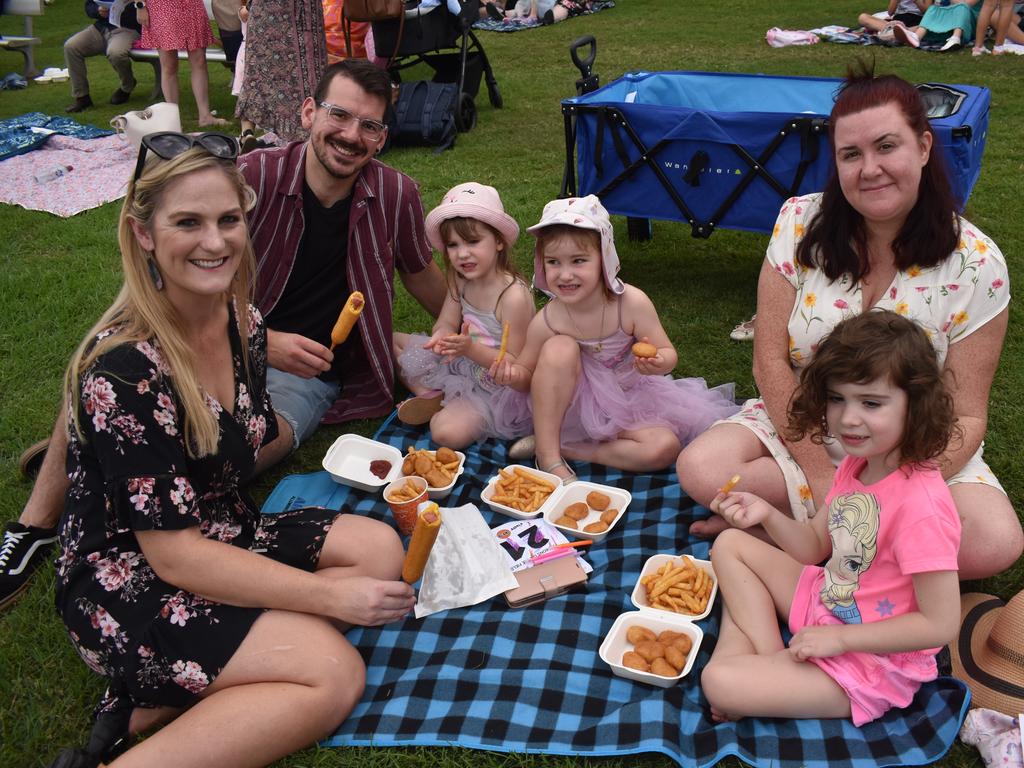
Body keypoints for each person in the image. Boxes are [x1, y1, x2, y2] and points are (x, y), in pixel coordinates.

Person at [1, 59, 447, 613]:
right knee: (109, 363)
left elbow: (422, 273)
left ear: (382, 137)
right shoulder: (251, 178)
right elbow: (173, 278)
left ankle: (123, 456)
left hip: (311, 369)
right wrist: (263, 338)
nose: (352, 135)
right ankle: (34, 527)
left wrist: (469, 322)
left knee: (266, 443)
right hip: (222, 339)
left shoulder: (397, 194)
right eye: (340, 114)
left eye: (371, 125)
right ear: (309, 112)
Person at [47, 135, 414, 766]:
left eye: (228, 220)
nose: (215, 242)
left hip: (221, 530)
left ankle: (160, 695)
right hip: (129, 578)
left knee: (381, 547)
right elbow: (176, 557)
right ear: (143, 233)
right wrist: (327, 598)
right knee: (333, 673)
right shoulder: (123, 370)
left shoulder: (242, 320)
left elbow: (239, 446)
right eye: (187, 222)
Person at [676, 65, 1021, 581]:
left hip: (911, 446)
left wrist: (883, 490)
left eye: (887, 146)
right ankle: (852, 549)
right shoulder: (799, 223)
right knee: (700, 469)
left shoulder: (977, 264)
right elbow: (769, 358)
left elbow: (968, 416)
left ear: (924, 147)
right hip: (807, 424)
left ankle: (794, 540)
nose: (870, 169)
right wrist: (821, 474)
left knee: (993, 542)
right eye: (851, 154)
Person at [701, 310, 962, 725]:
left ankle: (756, 669)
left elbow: (940, 622)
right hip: (828, 600)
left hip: (871, 661)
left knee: (717, 681)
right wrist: (766, 514)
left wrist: (841, 638)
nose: (848, 418)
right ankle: (773, 659)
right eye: (838, 398)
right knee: (731, 543)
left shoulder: (921, 507)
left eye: (871, 402)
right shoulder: (857, 464)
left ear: (916, 405)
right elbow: (814, 548)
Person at [491, 195, 740, 483]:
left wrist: (657, 362)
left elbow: (667, 352)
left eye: (579, 261)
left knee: (663, 448)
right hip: (570, 409)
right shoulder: (549, 319)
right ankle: (548, 457)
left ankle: (571, 449)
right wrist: (511, 375)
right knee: (560, 347)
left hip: (630, 401)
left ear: (605, 259)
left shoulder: (630, 304)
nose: (565, 274)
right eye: (554, 262)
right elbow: (526, 378)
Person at [394, 182, 534, 448]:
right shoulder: (461, 279)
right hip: (459, 363)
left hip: (495, 386)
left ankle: (439, 405)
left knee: (445, 434)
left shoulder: (512, 296)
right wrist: (441, 337)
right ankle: (431, 395)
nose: (462, 254)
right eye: (453, 245)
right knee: (388, 340)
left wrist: (470, 349)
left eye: (472, 241)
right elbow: (446, 321)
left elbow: (516, 363)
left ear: (499, 241)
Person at [235, 0, 327, 141]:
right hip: (299, 15)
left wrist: (248, 6)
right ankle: (305, 131)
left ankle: (247, 133)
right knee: (307, 74)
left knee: (256, 72)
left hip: (265, 11)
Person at [138, 0, 227, 126]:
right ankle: (173, 120)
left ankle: (205, 116)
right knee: (169, 65)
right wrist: (140, 6)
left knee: (199, 61)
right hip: (161, 6)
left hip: (191, 6)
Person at [63, 0, 142, 113]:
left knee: (115, 53)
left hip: (127, 29)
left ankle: (127, 86)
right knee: (71, 46)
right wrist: (98, 11)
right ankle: (82, 97)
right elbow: (89, 5)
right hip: (101, 27)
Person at [891, 0, 982, 50]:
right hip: (951, 21)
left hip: (969, 23)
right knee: (933, 8)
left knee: (962, 7)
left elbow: (967, 4)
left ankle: (955, 38)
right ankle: (916, 37)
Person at [857, 0, 930, 35]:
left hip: (916, 20)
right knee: (863, 17)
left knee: (925, 27)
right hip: (897, 21)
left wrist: (917, 1)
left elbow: (928, 12)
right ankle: (899, 32)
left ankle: (900, 33)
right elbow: (890, 12)